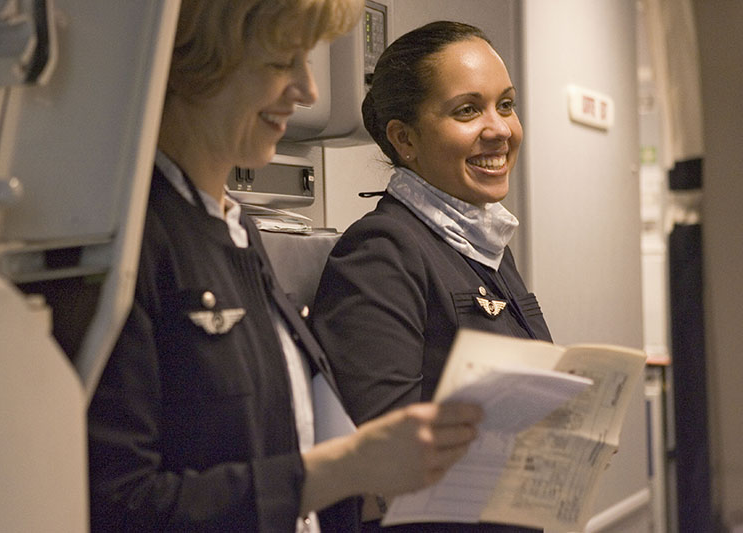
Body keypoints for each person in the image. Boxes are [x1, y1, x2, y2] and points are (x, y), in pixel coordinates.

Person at [87, 3, 484, 532]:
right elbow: (118, 503)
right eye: (281, 63)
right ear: (195, 61)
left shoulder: (234, 227)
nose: (308, 92)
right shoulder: (134, 243)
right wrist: (347, 467)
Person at [311, 21, 552, 532]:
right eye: (468, 110)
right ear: (405, 139)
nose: (500, 129)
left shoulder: (484, 247)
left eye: (505, 105)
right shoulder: (382, 253)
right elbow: (385, 458)